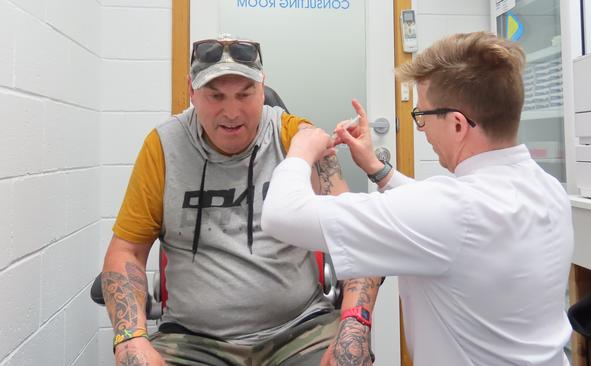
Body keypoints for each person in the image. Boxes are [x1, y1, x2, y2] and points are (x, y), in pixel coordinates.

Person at [262, 31, 574, 365]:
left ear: (457, 124)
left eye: (422, 116)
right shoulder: (548, 188)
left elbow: (282, 215)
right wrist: (376, 168)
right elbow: (450, 221)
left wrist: (299, 150)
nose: (421, 130)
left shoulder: (449, 210)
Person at [100, 34, 381, 366]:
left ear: (263, 88)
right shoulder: (163, 147)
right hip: (192, 341)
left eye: (245, 94)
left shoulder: (298, 138)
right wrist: (130, 337)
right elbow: (126, 252)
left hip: (300, 333)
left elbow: (354, 235)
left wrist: (354, 325)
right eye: (215, 95)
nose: (231, 111)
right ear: (192, 91)